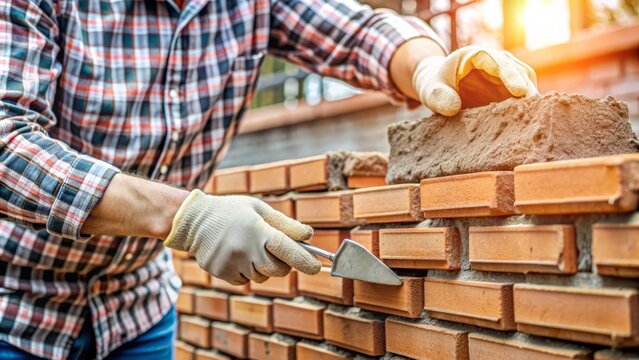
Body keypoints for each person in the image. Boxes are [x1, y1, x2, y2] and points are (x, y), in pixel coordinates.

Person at [0, 0, 538, 358]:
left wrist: (427, 65)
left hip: (135, 310)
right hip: (17, 308)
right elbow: (6, 141)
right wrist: (186, 216)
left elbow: (357, 33)